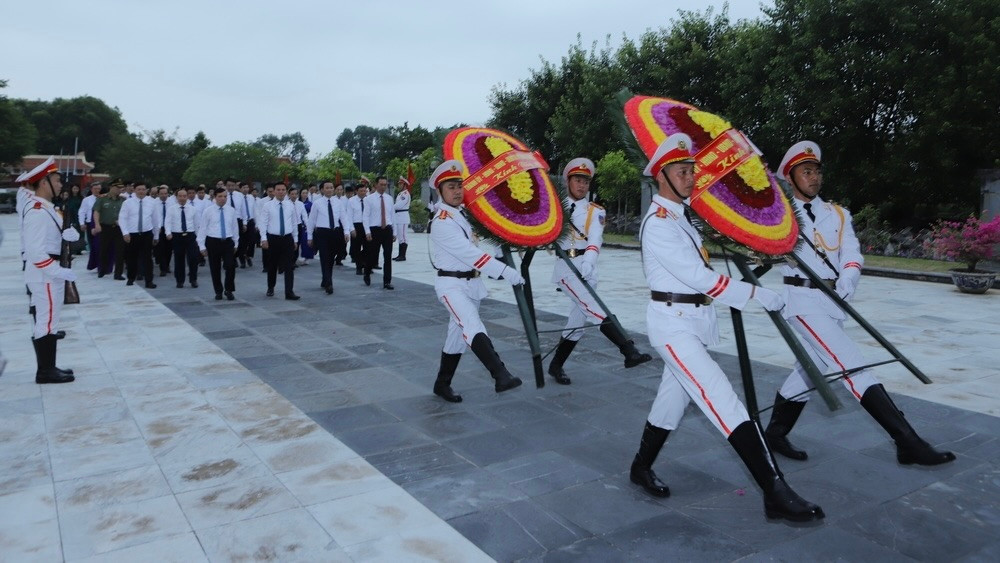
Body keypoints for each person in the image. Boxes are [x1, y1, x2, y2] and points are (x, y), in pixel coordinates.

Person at [629, 134, 824, 523]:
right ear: (662, 176)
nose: (690, 177)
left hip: (692, 322)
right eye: (682, 172)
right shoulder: (658, 224)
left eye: (691, 170)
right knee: (723, 400)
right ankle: (774, 490)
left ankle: (639, 467)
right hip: (673, 325)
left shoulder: (683, 218)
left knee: (672, 401)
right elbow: (697, 277)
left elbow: (703, 270)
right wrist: (756, 295)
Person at [764, 141, 955, 467]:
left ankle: (775, 433)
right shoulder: (779, 219)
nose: (814, 177)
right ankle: (906, 440)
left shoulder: (838, 214)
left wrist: (848, 280)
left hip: (832, 300)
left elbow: (851, 254)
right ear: (791, 178)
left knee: (815, 366)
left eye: (816, 171)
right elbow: (766, 251)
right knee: (851, 363)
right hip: (801, 300)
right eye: (806, 172)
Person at [548, 158, 652, 385]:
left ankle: (555, 366)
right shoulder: (555, 208)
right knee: (594, 308)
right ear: (568, 181)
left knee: (577, 322)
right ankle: (627, 349)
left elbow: (596, 238)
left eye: (585, 181)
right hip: (566, 267)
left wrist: (589, 263)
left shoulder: (595, 211)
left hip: (587, 267)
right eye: (577, 180)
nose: (582, 185)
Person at [428, 160, 525, 402]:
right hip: (451, 286)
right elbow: (471, 255)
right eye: (451, 187)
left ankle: (442, 384)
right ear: (440, 191)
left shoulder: (462, 215)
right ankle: (500, 375)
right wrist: (506, 272)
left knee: (457, 336)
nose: (457, 191)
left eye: (459, 185)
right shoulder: (441, 222)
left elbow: (477, 244)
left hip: (471, 284)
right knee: (472, 325)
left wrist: (500, 251)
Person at [17, 157, 78, 384]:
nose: (61, 184)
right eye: (56, 180)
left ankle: (48, 367)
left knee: (49, 320)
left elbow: (50, 238)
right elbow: (35, 252)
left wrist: (65, 235)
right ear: (44, 183)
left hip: (47, 274)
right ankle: (45, 371)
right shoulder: (37, 211)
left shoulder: (46, 208)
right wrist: (58, 271)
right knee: (47, 320)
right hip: (45, 275)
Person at [307, 180, 351, 294]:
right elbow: (311, 220)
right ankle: (329, 283)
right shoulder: (317, 203)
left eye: (331, 187)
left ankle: (325, 278)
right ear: (322, 190)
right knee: (324, 257)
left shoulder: (338, 202)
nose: (330, 190)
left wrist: (346, 232)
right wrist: (309, 236)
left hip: (335, 233)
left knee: (331, 258)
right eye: (327, 188)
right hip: (322, 233)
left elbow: (344, 218)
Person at [258, 181, 300, 299]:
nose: (281, 192)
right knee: (272, 265)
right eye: (278, 190)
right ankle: (271, 287)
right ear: (274, 191)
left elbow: (294, 223)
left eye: (283, 190)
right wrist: (264, 239)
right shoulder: (268, 206)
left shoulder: (290, 205)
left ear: (285, 191)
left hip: (287, 239)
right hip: (273, 239)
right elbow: (263, 223)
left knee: (289, 266)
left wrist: (295, 239)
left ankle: (289, 291)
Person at [198, 187, 239, 300]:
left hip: (227, 242)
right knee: (215, 268)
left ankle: (229, 289)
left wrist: (236, 243)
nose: (223, 199)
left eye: (225, 196)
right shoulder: (208, 211)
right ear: (215, 197)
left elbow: (234, 227)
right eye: (220, 196)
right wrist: (201, 246)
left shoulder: (231, 210)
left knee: (231, 266)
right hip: (213, 241)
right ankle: (218, 291)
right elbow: (202, 229)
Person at [117, 181, 160, 288]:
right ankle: (131, 278)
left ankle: (149, 281)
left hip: (147, 233)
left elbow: (156, 219)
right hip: (132, 234)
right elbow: (122, 218)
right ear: (135, 190)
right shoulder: (127, 203)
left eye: (143, 189)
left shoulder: (152, 202)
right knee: (131, 258)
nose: (141, 191)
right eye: (139, 189)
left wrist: (156, 235)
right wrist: (125, 233)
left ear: (146, 190)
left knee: (147, 258)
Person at [362, 176, 395, 289]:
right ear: (376, 185)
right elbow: (365, 216)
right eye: (381, 184)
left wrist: (394, 232)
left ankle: (387, 281)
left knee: (388, 256)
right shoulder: (368, 199)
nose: (383, 187)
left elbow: (392, 215)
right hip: (374, 229)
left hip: (387, 229)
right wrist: (367, 231)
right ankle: (367, 272)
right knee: (372, 255)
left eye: (385, 185)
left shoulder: (389, 198)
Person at [165, 187, 200, 288]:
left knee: (193, 258)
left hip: (190, 235)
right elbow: (167, 221)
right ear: (176, 197)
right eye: (180, 196)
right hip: (177, 236)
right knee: (179, 259)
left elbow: (196, 223)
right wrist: (168, 233)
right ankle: (180, 280)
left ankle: (193, 279)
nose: (182, 198)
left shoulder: (193, 209)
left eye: (184, 196)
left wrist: (198, 238)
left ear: (187, 197)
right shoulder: (171, 209)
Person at [92, 181, 126, 279]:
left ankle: (118, 274)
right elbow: (96, 212)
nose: (120, 190)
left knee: (120, 251)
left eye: (121, 188)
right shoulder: (102, 199)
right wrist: (97, 224)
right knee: (104, 250)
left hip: (119, 228)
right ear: (111, 187)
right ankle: (102, 270)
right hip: (105, 227)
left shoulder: (123, 200)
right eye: (118, 188)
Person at [79, 182, 102, 270]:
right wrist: (82, 223)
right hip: (90, 224)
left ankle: (101, 264)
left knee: (101, 245)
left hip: (101, 224)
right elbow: (82, 212)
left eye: (98, 189)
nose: (97, 190)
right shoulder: (86, 200)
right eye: (95, 188)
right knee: (93, 245)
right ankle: (94, 263)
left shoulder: (102, 198)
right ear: (92, 189)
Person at [347, 183, 368, 274]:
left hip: (367, 225)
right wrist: (351, 229)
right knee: (356, 248)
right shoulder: (351, 201)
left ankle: (366, 265)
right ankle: (359, 267)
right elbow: (349, 216)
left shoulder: (368, 200)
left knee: (368, 247)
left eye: (364, 191)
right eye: (361, 191)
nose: (363, 192)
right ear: (356, 191)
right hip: (357, 226)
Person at [290, 188, 313, 265]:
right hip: (289, 226)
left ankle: (293, 260)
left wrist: (308, 226)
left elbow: (305, 216)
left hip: (299, 225)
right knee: (290, 243)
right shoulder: (286, 204)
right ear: (289, 195)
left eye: (295, 194)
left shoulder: (300, 204)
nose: (294, 196)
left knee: (297, 243)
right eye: (292, 194)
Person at [154, 186, 173, 276]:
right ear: (158, 194)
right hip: (159, 228)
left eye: (165, 193)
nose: (164, 195)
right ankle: (163, 268)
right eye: (162, 194)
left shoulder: (172, 202)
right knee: (161, 249)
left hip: (170, 228)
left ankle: (167, 265)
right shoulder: (154, 203)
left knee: (169, 249)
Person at [238, 182, 257, 268]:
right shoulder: (237, 198)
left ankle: (248, 255)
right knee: (242, 242)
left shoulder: (251, 197)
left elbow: (254, 210)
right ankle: (242, 260)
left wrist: (257, 223)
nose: (246, 189)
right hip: (241, 221)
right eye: (244, 187)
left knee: (252, 240)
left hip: (251, 221)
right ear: (240, 189)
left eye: (247, 187)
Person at [256, 183, 275, 272]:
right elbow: (258, 214)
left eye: (273, 191)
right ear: (266, 191)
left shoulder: (280, 201)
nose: (272, 193)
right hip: (265, 227)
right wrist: (259, 226)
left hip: (275, 227)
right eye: (270, 191)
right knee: (265, 246)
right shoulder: (262, 202)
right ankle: (266, 266)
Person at [392, 176, 411, 261]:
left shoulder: (405, 194)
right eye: (399, 184)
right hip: (399, 217)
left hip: (403, 217)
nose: (399, 185)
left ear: (404, 185)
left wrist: (390, 207)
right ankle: (400, 254)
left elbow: (399, 205)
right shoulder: (400, 194)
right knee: (400, 236)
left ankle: (403, 256)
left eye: (400, 184)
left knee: (403, 236)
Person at [333, 183, 348, 265]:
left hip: (344, 223)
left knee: (343, 242)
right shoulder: (332, 199)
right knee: (335, 241)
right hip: (335, 223)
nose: (339, 191)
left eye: (341, 190)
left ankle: (339, 258)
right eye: (337, 189)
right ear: (335, 190)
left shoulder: (345, 200)